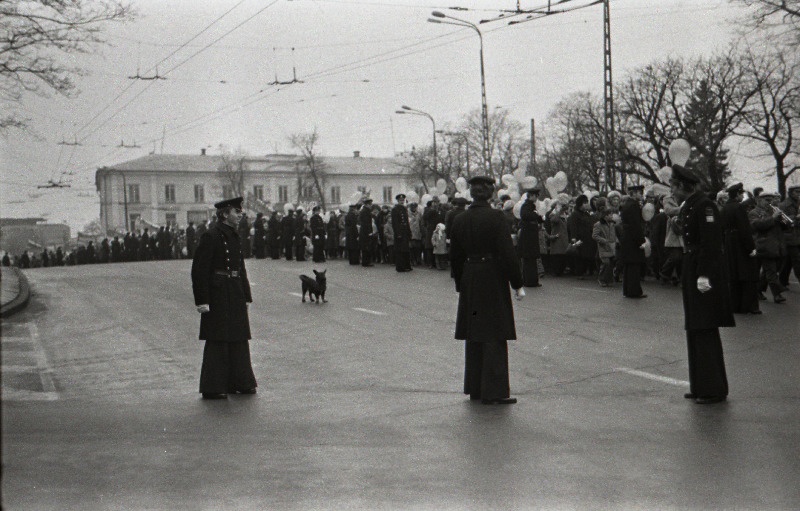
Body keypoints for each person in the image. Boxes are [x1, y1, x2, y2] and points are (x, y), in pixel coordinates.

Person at [450, 175, 525, 405]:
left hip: (470, 276)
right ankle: (494, 390)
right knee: (494, 332)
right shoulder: (497, 217)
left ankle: (475, 387)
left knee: (474, 334)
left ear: (471, 193)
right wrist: (517, 282)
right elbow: (507, 252)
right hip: (492, 275)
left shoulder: (460, 219)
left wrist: (460, 282)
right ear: (490, 193)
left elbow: (455, 256)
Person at [671, 165, 733, 404]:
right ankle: (699, 385)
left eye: (673, 187)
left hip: (702, 269)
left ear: (682, 186)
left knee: (705, 326)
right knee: (695, 326)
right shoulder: (691, 205)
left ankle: (713, 389)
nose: (672, 192)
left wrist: (704, 276)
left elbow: (710, 243)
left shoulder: (704, 205)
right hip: (692, 265)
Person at [191, 197, 257, 399]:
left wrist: (246, 294)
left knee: (238, 337)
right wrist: (202, 300)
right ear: (225, 214)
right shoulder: (211, 236)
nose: (240, 215)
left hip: (234, 290)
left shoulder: (235, 235)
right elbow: (199, 270)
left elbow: (240, 267)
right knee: (218, 338)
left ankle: (241, 382)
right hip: (218, 292)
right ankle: (214, 386)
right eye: (237, 211)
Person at [721, 183, 761, 314]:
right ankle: (748, 306)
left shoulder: (724, 208)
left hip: (729, 242)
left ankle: (735, 306)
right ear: (737, 194)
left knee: (733, 276)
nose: (743, 196)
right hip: (740, 243)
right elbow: (744, 229)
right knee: (747, 275)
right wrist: (751, 248)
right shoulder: (739, 208)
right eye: (741, 194)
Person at [749, 192, 789, 303]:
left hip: (778, 245)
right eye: (767, 200)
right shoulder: (754, 212)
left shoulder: (774, 211)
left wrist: (782, 219)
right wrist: (773, 218)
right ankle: (777, 294)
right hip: (764, 245)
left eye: (771, 200)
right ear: (759, 200)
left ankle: (758, 289)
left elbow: (786, 227)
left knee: (772, 270)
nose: (769, 202)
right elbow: (757, 226)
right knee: (771, 271)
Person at [619, 186, 648, 298]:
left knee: (629, 266)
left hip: (627, 238)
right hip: (633, 239)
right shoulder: (634, 206)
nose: (641, 195)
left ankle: (627, 290)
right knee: (634, 266)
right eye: (640, 193)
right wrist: (641, 240)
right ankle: (634, 291)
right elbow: (636, 225)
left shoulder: (626, 205)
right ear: (634, 193)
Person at [518, 187, 544, 287]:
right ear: (531, 196)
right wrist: (536, 215)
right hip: (528, 236)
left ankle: (532, 280)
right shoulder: (526, 206)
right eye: (536, 196)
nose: (537, 198)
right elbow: (525, 216)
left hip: (530, 235)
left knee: (531, 259)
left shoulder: (530, 206)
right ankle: (529, 281)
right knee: (529, 259)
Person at [778, 185, 800, 287]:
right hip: (789, 237)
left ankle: (782, 280)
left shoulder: (798, 203)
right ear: (790, 193)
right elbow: (783, 222)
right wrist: (796, 218)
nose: (799, 194)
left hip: (797, 235)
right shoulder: (784, 205)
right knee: (797, 260)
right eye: (797, 192)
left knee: (788, 261)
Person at [592, 207, 617, 287]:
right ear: (605, 216)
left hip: (612, 246)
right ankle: (601, 278)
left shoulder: (612, 224)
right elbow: (594, 235)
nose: (612, 216)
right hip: (604, 247)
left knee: (611, 264)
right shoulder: (598, 225)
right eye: (610, 215)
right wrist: (603, 240)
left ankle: (609, 279)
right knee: (606, 263)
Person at [391, 193, 412, 272]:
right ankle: (400, 267)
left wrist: (409, 232)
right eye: (400, 200)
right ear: (397, 201)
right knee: (400, 250)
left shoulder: (404, 209)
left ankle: (407, 266)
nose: (402, 201)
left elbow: (407, 222)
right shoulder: (395, 210)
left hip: (405, 232)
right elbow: (395, 223)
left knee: (406, 250)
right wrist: (398, 233)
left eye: (403, 200)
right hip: (399, 233)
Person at [358, 198, 375, 266]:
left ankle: (366, 261)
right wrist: (369, 232)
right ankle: (366, 262)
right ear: (367, 204)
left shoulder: (364, 210)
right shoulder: (365, 211)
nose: (371, 206)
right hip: (366, 232)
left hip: (364, 231)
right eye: (370, 204)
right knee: (366, 247)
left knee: (366, 247)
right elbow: (366, 223)